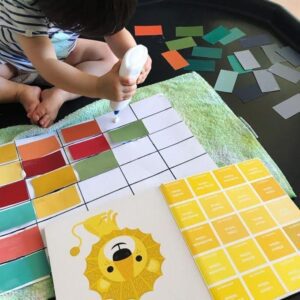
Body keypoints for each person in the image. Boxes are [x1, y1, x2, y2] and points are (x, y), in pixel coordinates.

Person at [0, 0, 151, 128]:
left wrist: (132, 54)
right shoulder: (22, 6)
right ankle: (20, 92)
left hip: (61, 54)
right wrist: (97, 87)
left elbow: (113, 30)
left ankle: (59, 94)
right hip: (11, 59)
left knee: (110, 57)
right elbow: (47, 63)